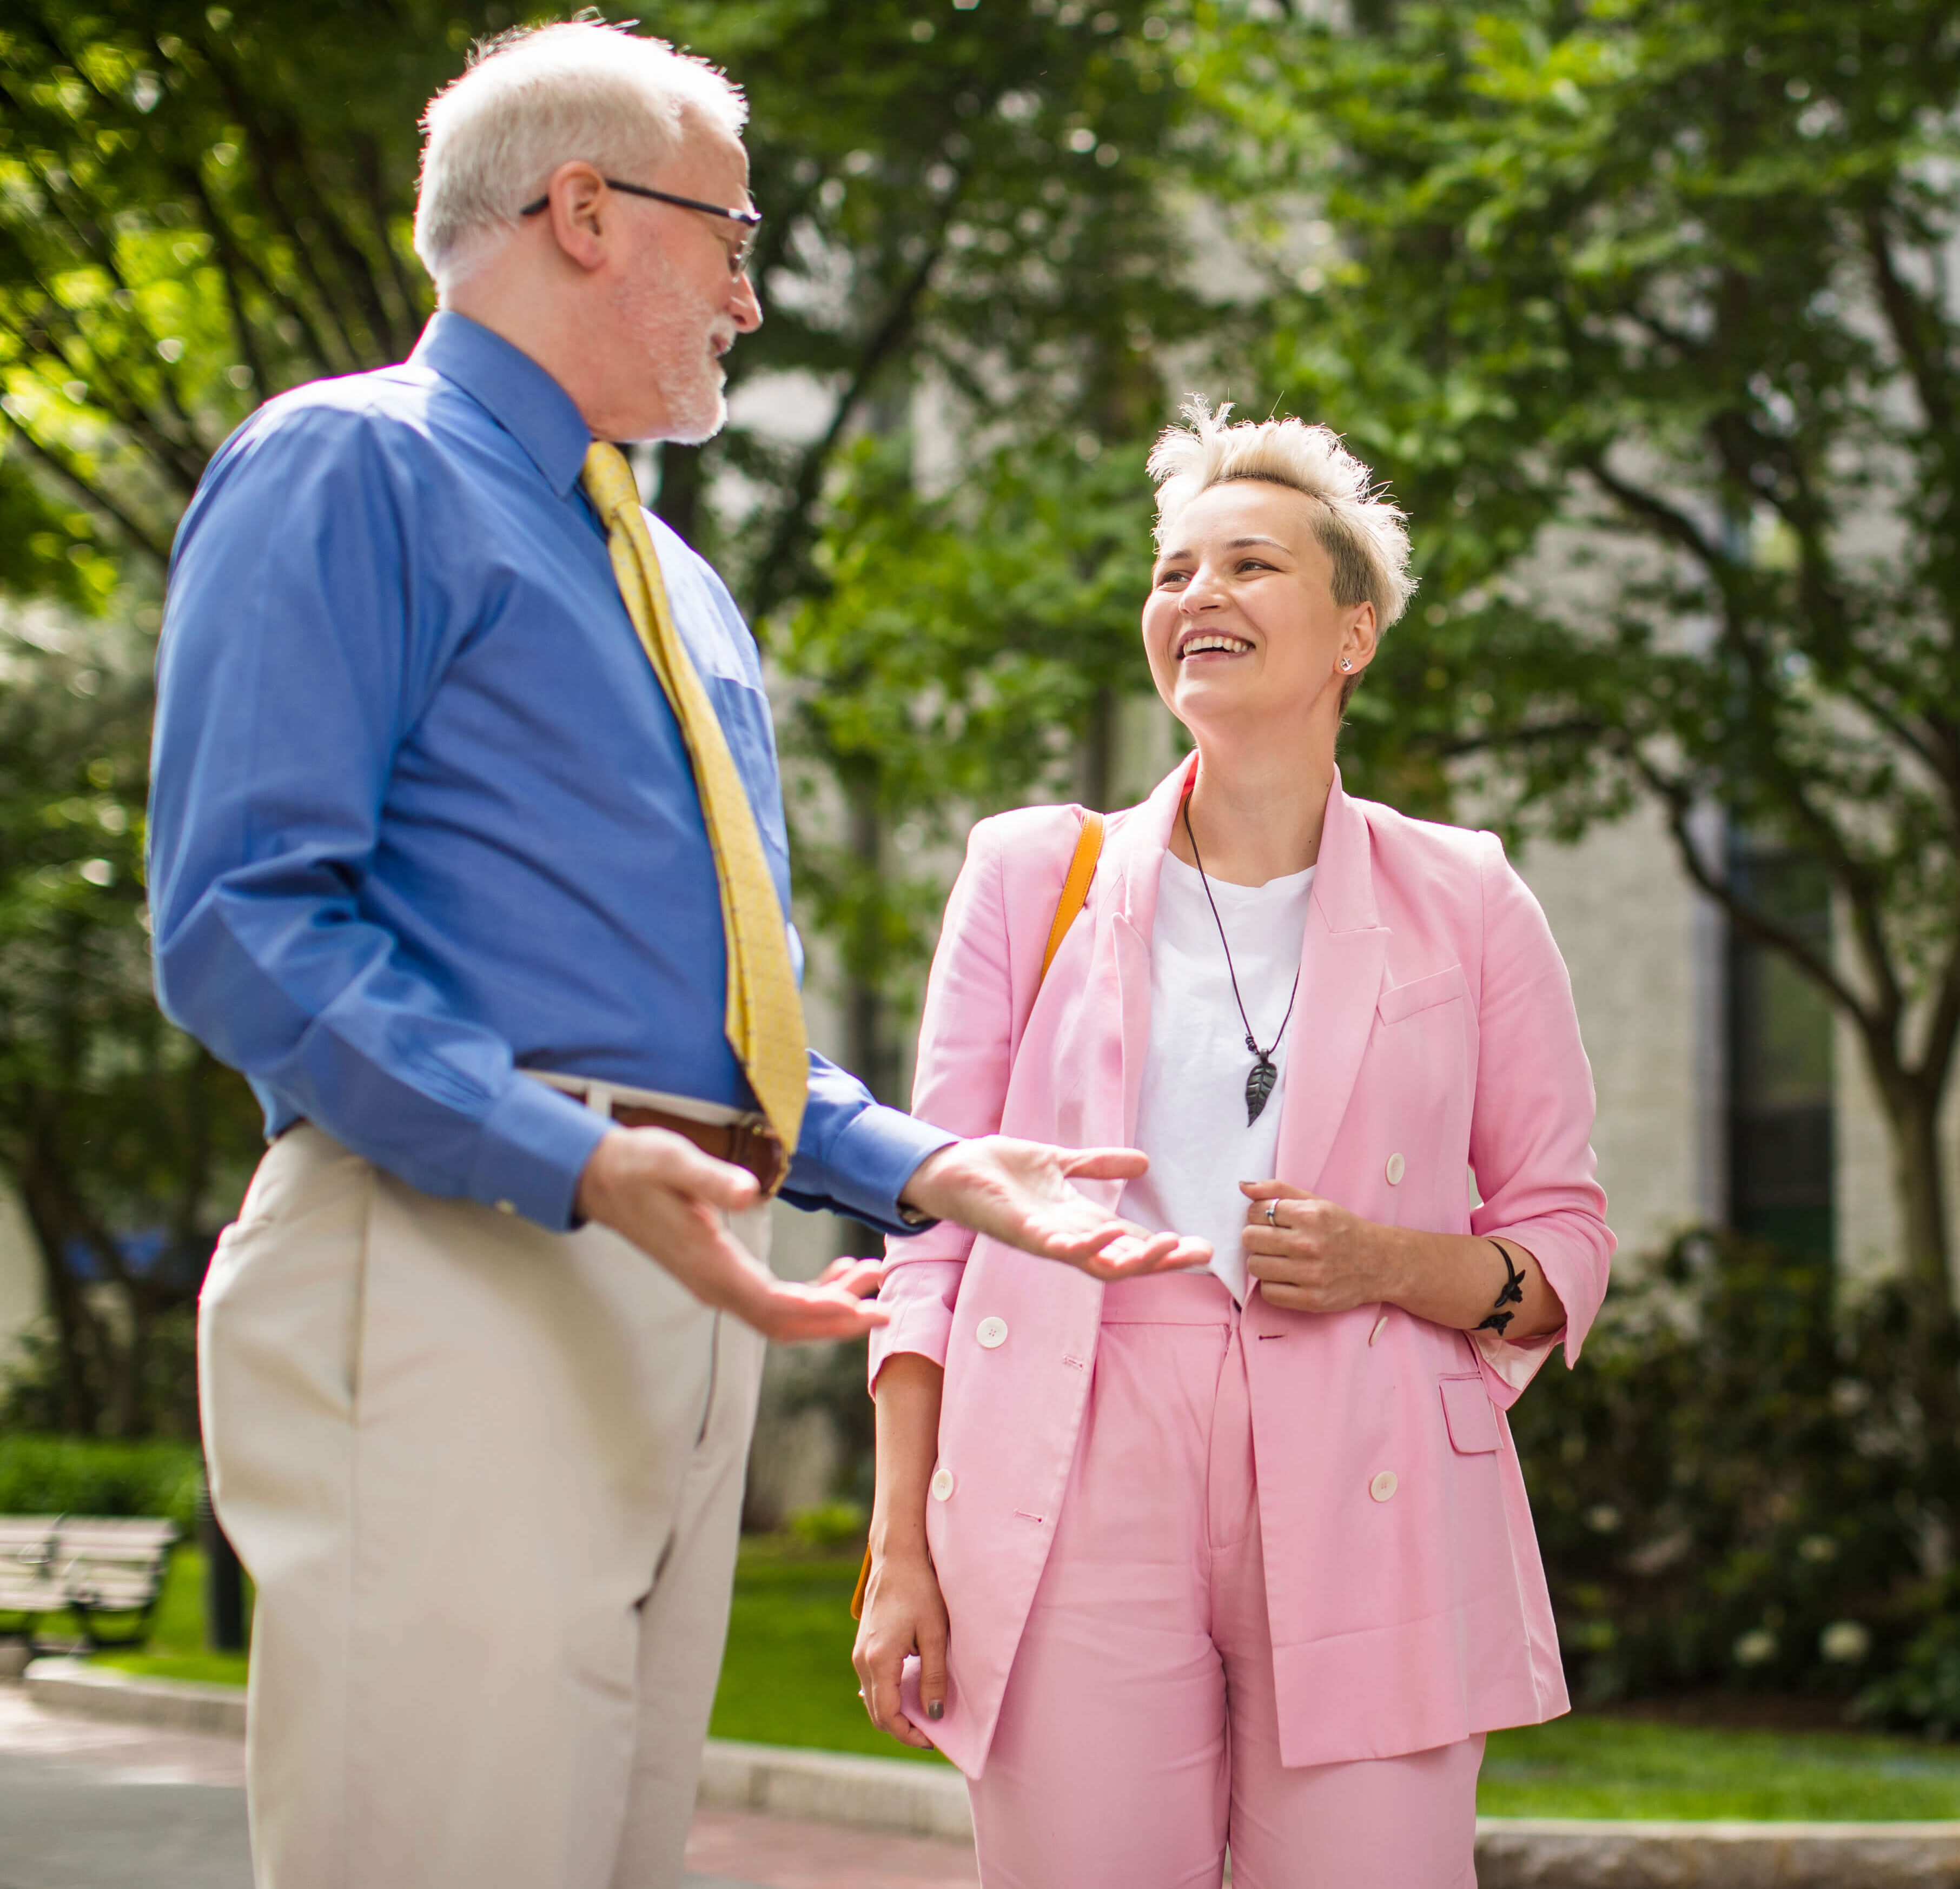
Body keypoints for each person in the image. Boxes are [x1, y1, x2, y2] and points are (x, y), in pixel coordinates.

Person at [147, 23, 1199, 1889]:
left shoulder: (678, 580)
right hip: (451, 1261)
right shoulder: (348, 466)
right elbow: (241, 921)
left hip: (686, 1281)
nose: (753, 292)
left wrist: (923, 1163)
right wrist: (570, 1155)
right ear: (581, 213)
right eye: (730, 233)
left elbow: (712, 1006)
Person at [850, 405, 1613, 1888]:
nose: (1195, 595)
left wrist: (1388, 1261)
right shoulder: (1029, 876)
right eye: (1173, 570)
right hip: (1071, 1453)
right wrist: (902, 1544)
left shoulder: (1469, 898)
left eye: (1249, 564)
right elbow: (930, 1233)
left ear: (1354, 633)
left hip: (1369, 1458)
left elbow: (1565, 1244)